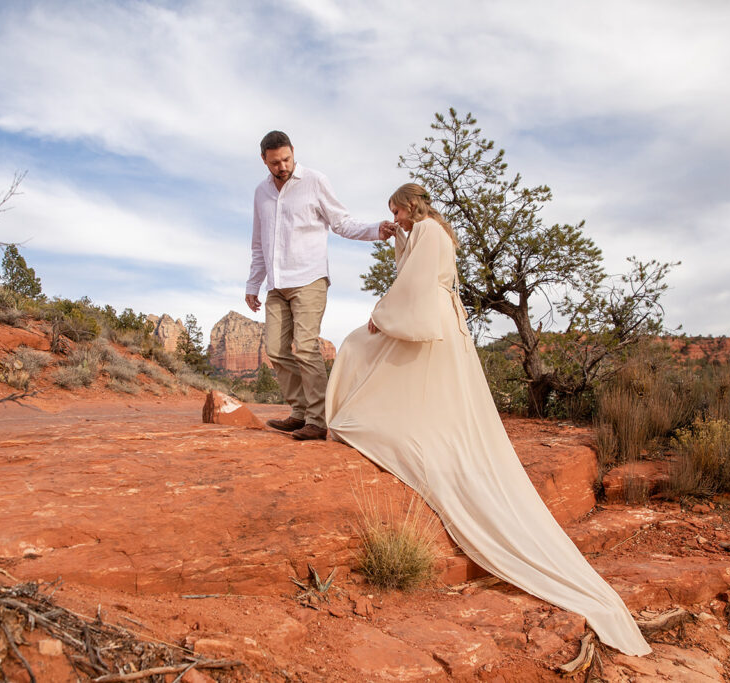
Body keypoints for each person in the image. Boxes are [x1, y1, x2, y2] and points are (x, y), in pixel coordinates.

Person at [325, 183, 651, 656]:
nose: (391, 213)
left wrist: (382, 313)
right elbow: (410, 268)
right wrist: (396, 240)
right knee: (372, 354)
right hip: (431, 317)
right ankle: (366, 413)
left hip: (429, 318)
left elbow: (416, 283)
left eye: (395, 207)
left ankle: (362, 418)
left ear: (410, 204)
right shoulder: (422, 232)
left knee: (361, 343)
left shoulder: (431, 232)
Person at [246, 131, 395, 441]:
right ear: (264, 160)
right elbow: (258, 244)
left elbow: (342, 222)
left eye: (286, 159)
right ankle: (299, 412)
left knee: (305, 346)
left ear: (293, 153)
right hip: (276, 284)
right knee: (275, 348)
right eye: (275, 162)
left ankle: (317, 420)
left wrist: (375, 230)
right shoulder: (261, 192)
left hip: (309, 279)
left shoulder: (315, 181)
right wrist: (253, 284)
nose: (282, 166)